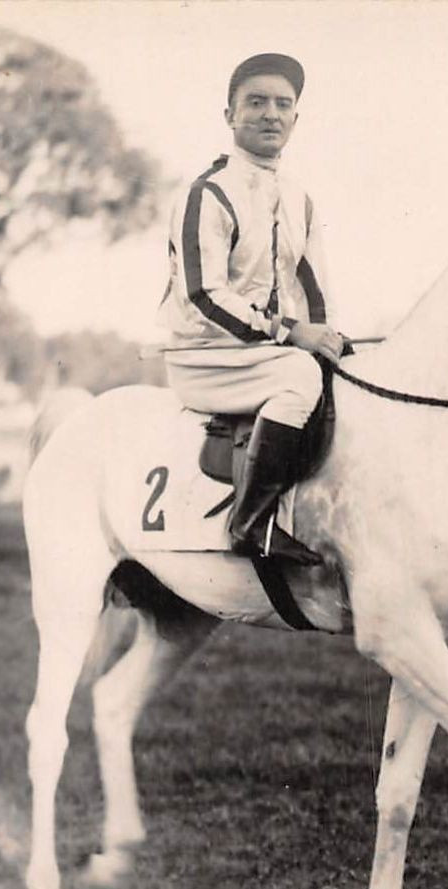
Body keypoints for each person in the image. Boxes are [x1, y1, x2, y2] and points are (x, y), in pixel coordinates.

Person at [153, 52, 345, 565]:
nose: (270, 114)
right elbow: (204, 295)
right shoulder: (207, 194)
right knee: (301, 377)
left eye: (283, 104)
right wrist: (293, 335)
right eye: (255, 102)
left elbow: (315, 290)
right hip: (207, 356)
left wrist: (327, 337)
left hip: (267, 355)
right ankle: (250, 524)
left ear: (296, 119)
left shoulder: (300, 198)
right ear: (230, 116)